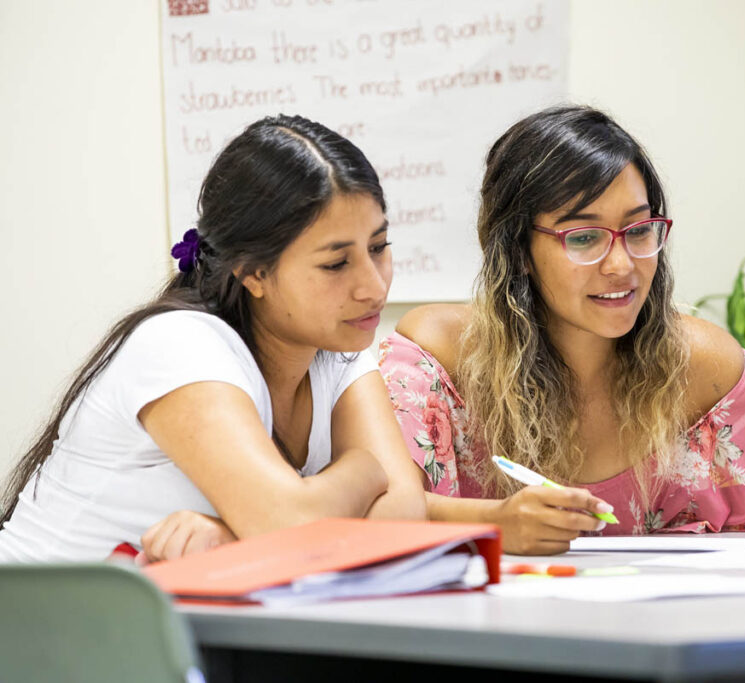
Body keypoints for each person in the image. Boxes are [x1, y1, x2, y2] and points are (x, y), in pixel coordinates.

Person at [379, 105, 745, 555]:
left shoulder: (696, 362)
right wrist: (494, 525)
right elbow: (373, 510)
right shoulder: (440, 354)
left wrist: (707, 517)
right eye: (583, 237)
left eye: (640, 229)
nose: (622, 264)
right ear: (516, 251)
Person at [0, 115, 426, 563]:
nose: (373, 287)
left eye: (378, 247)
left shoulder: (338, 350)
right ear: (254, 273)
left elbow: (402, 518)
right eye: (336, 264)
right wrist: (365, 468)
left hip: (157, 621)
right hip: (35, 623)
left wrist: (234, 534)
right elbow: (289, 524)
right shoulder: (180, 345)